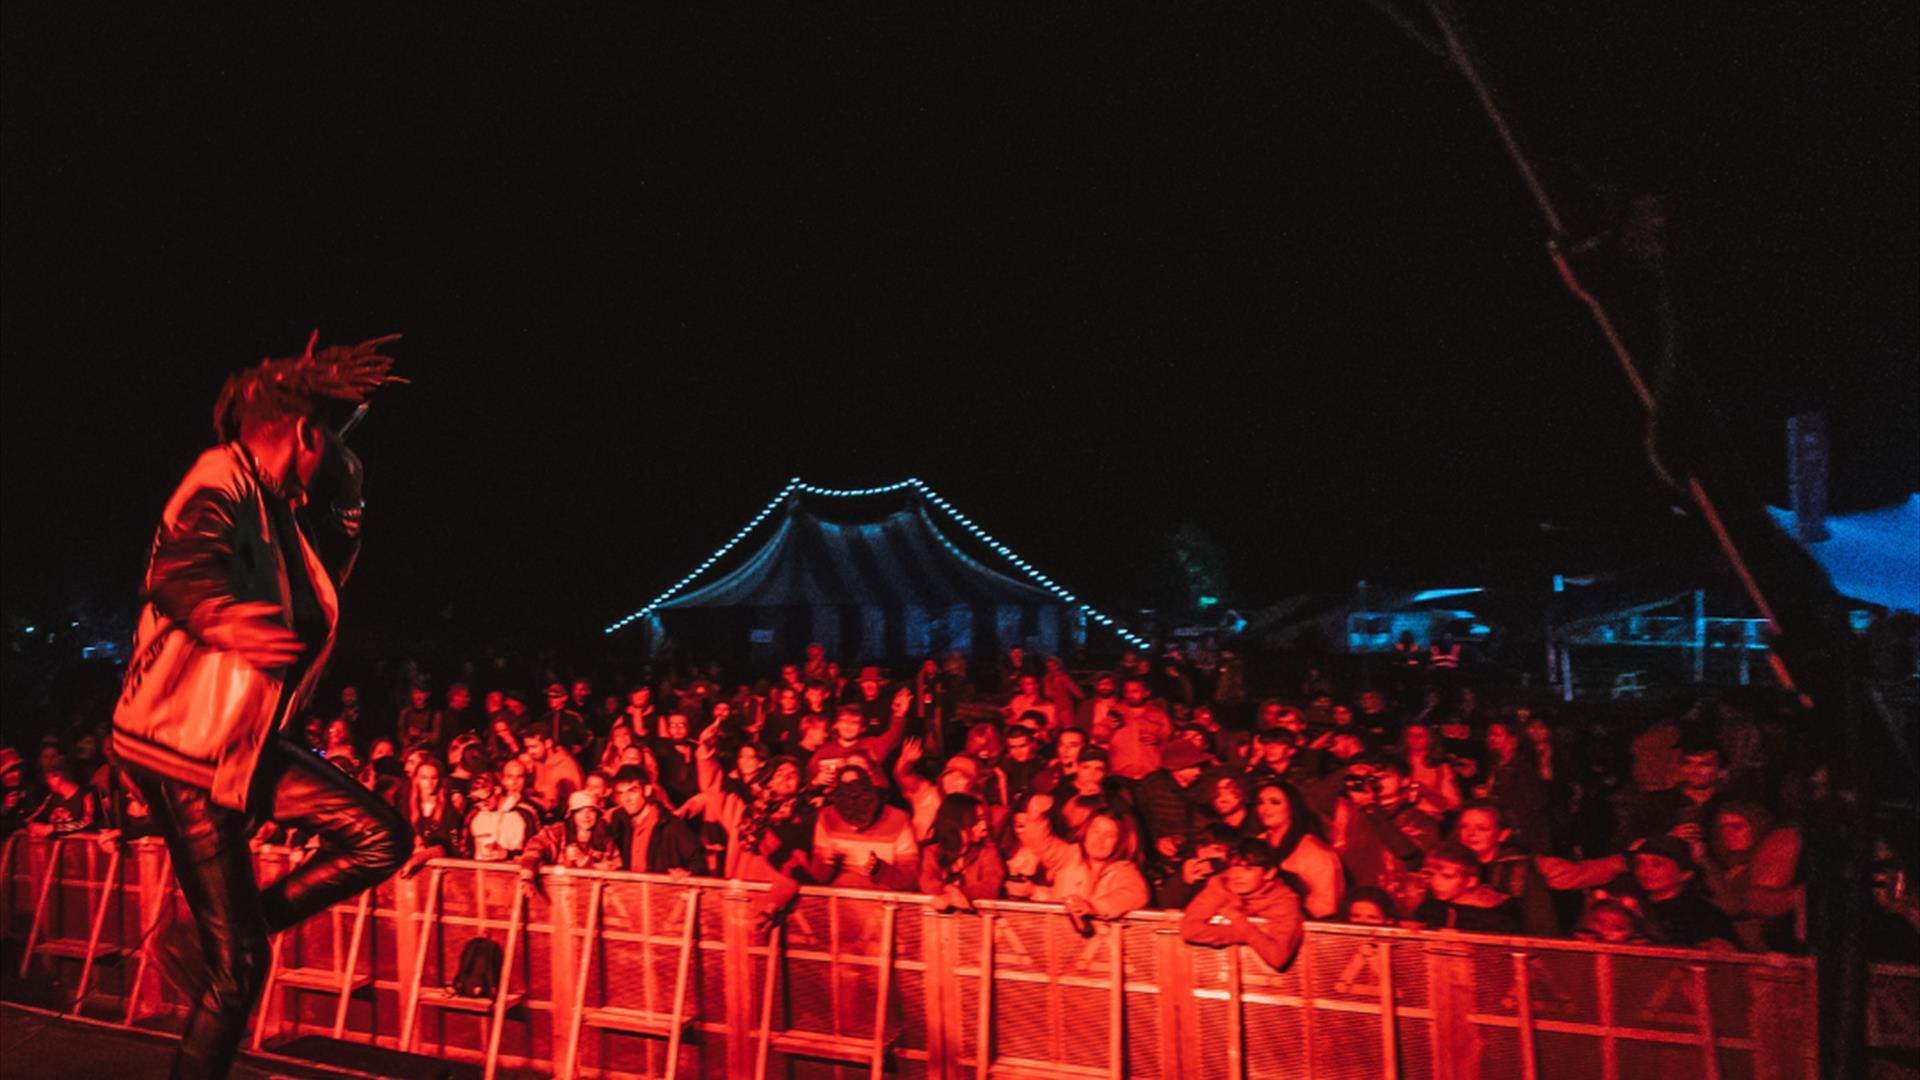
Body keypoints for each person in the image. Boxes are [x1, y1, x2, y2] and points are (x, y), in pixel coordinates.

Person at [107, 332, 409, 1078]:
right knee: (239, 971)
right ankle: (216, 954)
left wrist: (351, 492)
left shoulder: (276, 513)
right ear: (306, 435)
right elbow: (180, 566)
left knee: (379, 839)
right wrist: (223, 617)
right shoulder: (224, 477)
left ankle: (197, 938)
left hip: (235, 749)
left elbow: (324, 578)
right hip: (180, 749)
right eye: (325, 445)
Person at [1180, 839, 1306, 970]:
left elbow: (1278, 957)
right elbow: (1189, 930)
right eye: (1234, 867)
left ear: (1269, 873)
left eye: (1248, 869)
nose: (1237, 875)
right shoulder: (1220, 885)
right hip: (1220, 971)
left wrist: (1241, 922)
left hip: (1272, 982)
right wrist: (1242, 933)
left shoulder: (1284, 900)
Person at [918, 792, 1005, 912]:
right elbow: (927, 882)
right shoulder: (932, 852)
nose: (984, 825)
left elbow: (990, 887)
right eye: (977, 820)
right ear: (957, 822)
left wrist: (957, 894)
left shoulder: (988, 851)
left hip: (975, 924)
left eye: (984, 819)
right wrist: (948, 889)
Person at [1411, 843, 1521, 934]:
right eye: (1431, 875)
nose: (1436, 882)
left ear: (1470, 881)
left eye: (1447, 876)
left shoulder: (1499, 917)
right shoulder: (1430, 909)